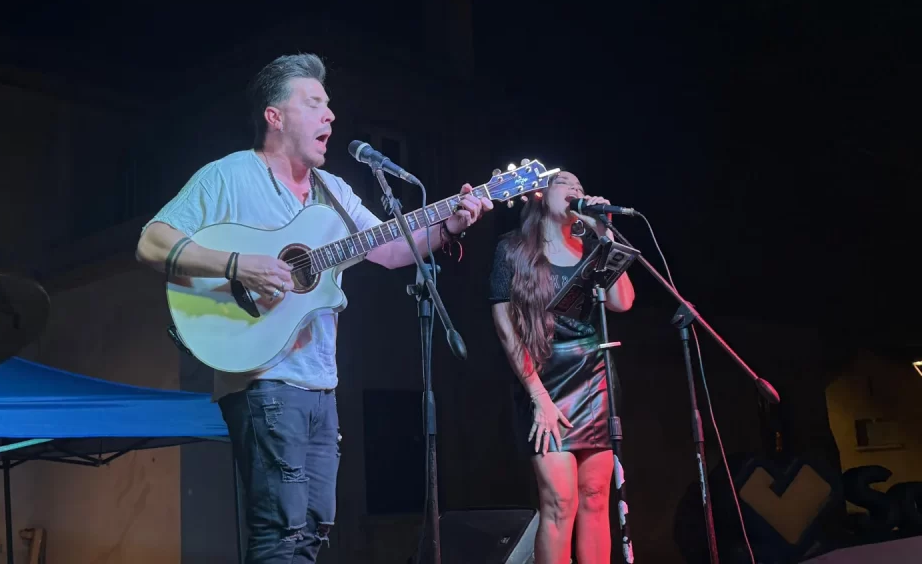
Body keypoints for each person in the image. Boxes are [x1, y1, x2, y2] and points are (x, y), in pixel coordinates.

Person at [135, 53, 493, 563]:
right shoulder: (229, 175)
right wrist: (238, 265)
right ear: (275, 115)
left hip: (322, 384)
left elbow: (393, 250)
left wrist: (451, 224)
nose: (330, 115)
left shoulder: (335, 192)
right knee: (280, 532)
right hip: (262, 376)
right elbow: (152, 241)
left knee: (312, 533)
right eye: (314, 103)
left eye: (329, 105)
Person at [489, 171, 635, 564]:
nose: (575, 190)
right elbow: (505, 327)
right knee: (560, 499)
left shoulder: (591, 248)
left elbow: (622, 302)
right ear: (540, 195)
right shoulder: (512, 250)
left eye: (580, 187)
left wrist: (605, 235)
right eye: (564, 183)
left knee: (595, 496)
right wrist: (538, 396)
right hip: (543, 377)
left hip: (593, 374)